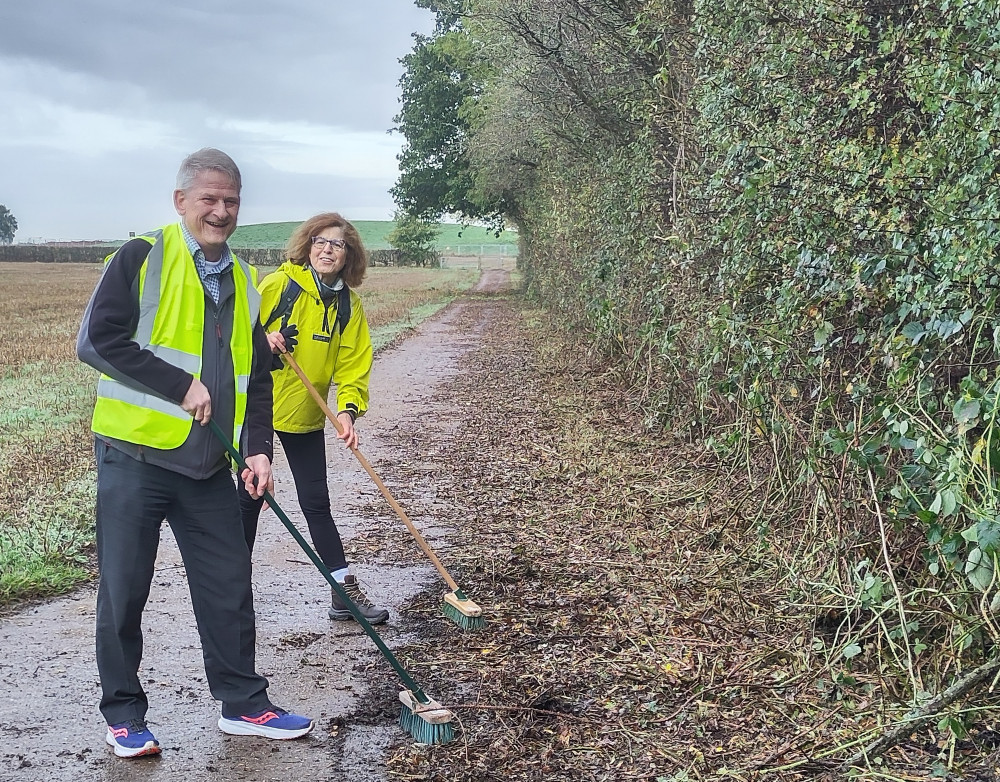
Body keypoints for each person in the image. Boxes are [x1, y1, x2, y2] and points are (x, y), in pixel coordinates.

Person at [76, 148, 313, 759]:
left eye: (231, 200)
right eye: (209, 198)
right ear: (180, 201)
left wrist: (258, 449)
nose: (221, 211)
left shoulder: (243, 280)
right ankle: (124, 714)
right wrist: (178, 385)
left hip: (211, 463)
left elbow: (254, 380)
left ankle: (243, 704)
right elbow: (97, 342)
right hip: (134, 457)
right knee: (125, 589)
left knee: (229, 585)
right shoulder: (142, 257)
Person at [238, 212, 389, 624]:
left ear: (348, 256)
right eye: (320, 242)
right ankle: (234, 590)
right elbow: (237, 333)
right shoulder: (279, 285)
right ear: (308, 247)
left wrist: (348, 410)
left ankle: (343, 591)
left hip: (305, 413)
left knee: (316, 503)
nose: (327, 249)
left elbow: (354, 365)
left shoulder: (347, 306)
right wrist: (262, 340)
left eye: (337, 244)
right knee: (249, 497)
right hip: (258, 409)